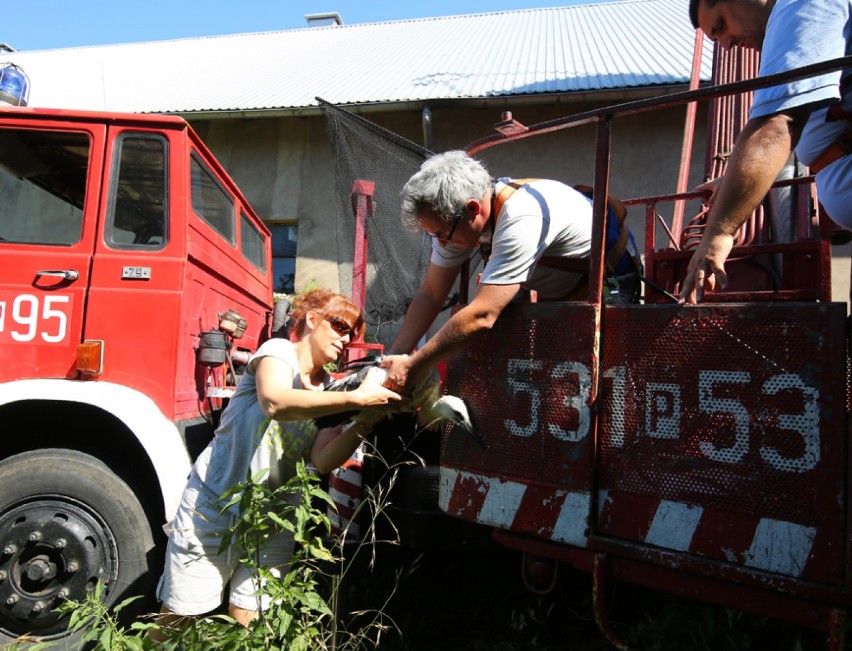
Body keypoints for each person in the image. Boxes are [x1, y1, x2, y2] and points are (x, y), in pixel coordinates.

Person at [156, 288, 401, 630]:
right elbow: (275, 402)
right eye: (339, 326)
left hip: (274, 517)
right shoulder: (278, 352)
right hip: (213, 506)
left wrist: (365, 420)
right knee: (178, 619)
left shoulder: (331, 389)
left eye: (352, 334)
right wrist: (353, 397)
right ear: (312, 320)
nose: (345, 339)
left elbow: (324, 459)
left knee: (251, 625)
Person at [381, 150, 639, 394]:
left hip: (608, 284)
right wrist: (395, 358)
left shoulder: (522, 215)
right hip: (558, 292)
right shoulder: (457, 222)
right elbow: (431, 294)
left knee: (597, 382)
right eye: (432, 235)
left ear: (472, 209)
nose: (441, 244)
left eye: (441, 235)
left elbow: (483, 314)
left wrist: (414, 366)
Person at [680, 0, 852, 304]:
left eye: (720, 27)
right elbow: (795, 134)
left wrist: (719, 233)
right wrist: (734, 182)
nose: (728, 44)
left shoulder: (801, 5)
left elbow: (777, 125)